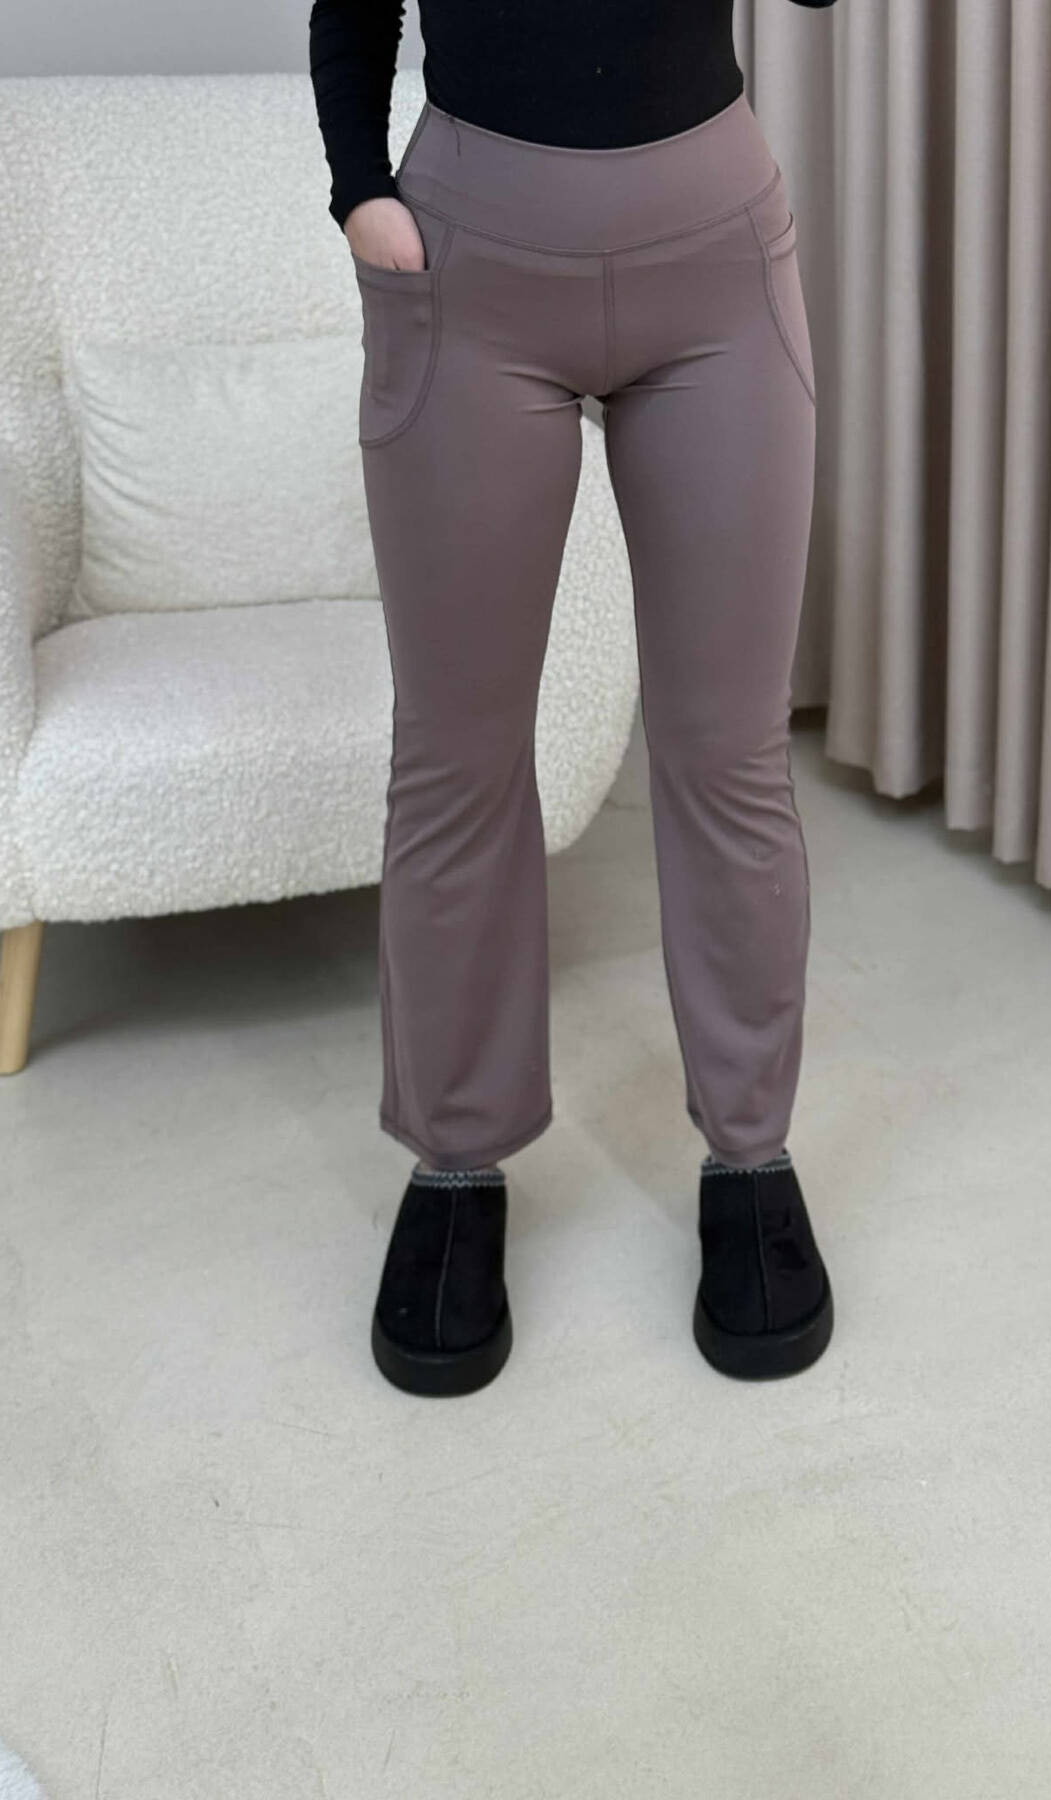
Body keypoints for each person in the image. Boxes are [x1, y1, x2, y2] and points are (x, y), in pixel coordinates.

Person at [308, 0, 838, 1398]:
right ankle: (454, 1160)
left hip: (713, 253)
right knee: (458, 752)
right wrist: (360, 191)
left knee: (729, 750)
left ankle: (752, 1153)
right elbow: (353, 8)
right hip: (470, 260)